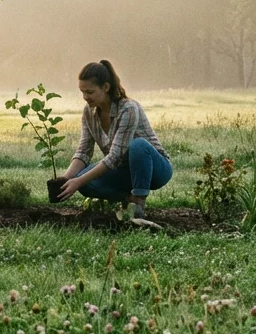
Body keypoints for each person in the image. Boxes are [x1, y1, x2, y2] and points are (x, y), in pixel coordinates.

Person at [53, 60, 173, 220]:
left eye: (89, 92)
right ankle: (126, 200)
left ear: (106, 87)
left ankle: (138, 202)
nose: (85, 97)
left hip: (155, 169)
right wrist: (66, 180)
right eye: (82, 92)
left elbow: (115, 155)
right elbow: (84, 151)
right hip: (123, 170)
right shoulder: (89, 112)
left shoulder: (129, 109)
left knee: (138, 145)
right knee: (84, 182)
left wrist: (78, 181)